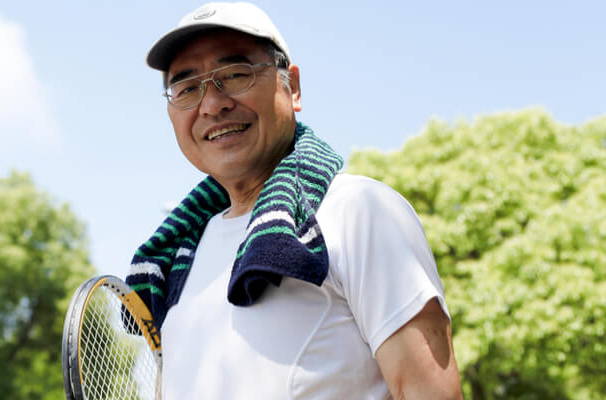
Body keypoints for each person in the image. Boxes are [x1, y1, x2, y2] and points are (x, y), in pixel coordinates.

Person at [125, 2, 463, 399]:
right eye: (186, 88)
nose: (212, 104)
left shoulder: (360, 212)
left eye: (234, 75)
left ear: (293, 87)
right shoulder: (177, 264)